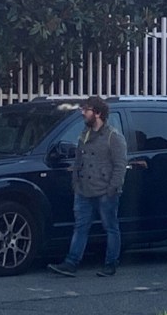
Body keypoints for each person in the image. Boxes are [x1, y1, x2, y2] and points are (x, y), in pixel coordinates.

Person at [47, 96, 128, 277]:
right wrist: (76, 183)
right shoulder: (85, 133)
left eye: (87, 110)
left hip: (105, 190)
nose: (83, 113)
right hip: (84, 189)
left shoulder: (113, 136)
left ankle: (111, 263)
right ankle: (71, 262)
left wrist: (112, 188)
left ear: (97, 113)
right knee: (80, 226)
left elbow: (120, 165)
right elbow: (78, 161)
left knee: (111, 227)